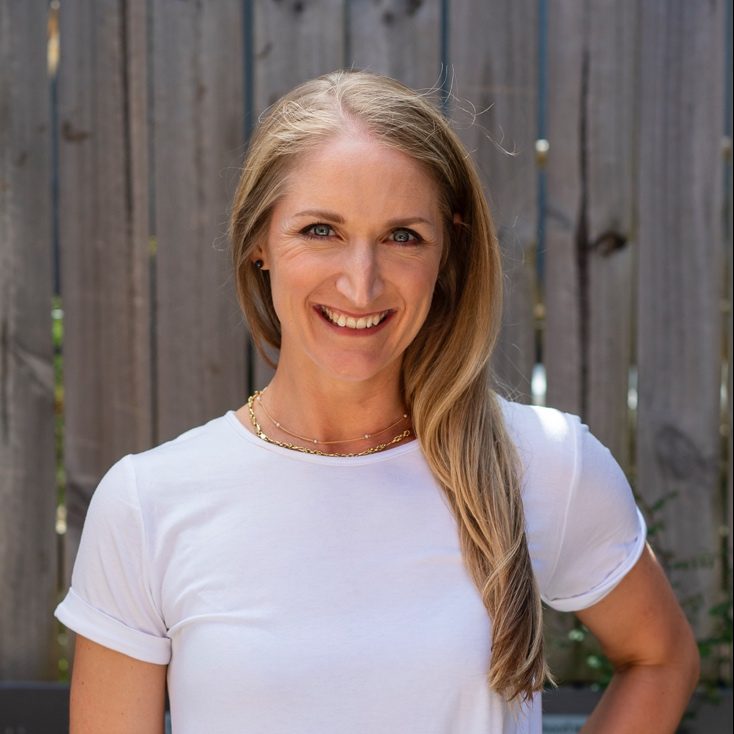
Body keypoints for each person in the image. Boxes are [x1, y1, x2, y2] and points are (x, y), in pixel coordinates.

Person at [55, 70, 699, 734]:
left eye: (402, 237)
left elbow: (661, 659)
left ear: (447, 252)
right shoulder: (147, 504)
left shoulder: (543, 462)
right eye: (320, 230)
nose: (360, 284)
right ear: (259, 242)